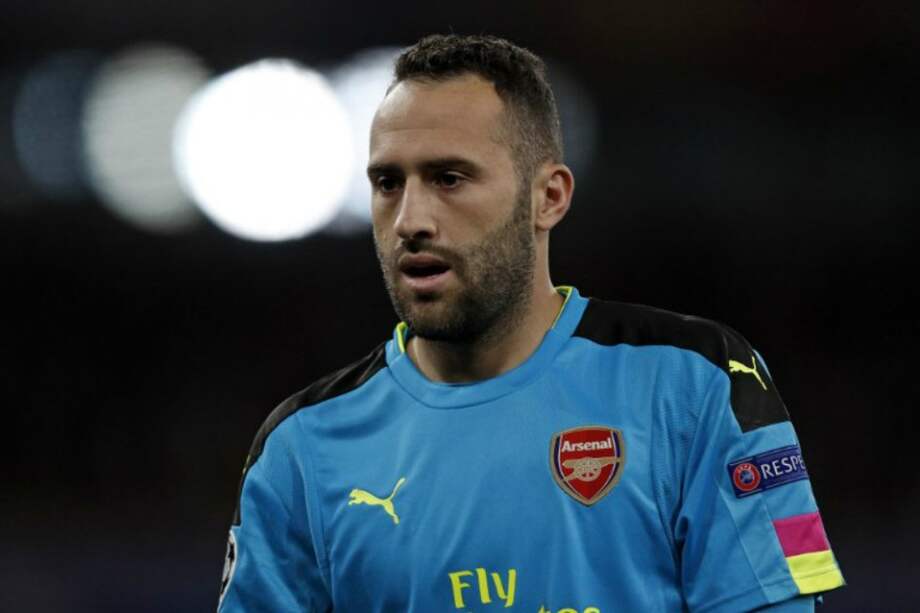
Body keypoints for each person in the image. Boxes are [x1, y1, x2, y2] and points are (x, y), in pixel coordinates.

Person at [217, 34, 845, 612]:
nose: (411, 219)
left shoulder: (698, 381)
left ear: (549, 198)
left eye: (449, 178)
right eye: (388, 182)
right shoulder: (300, 447)